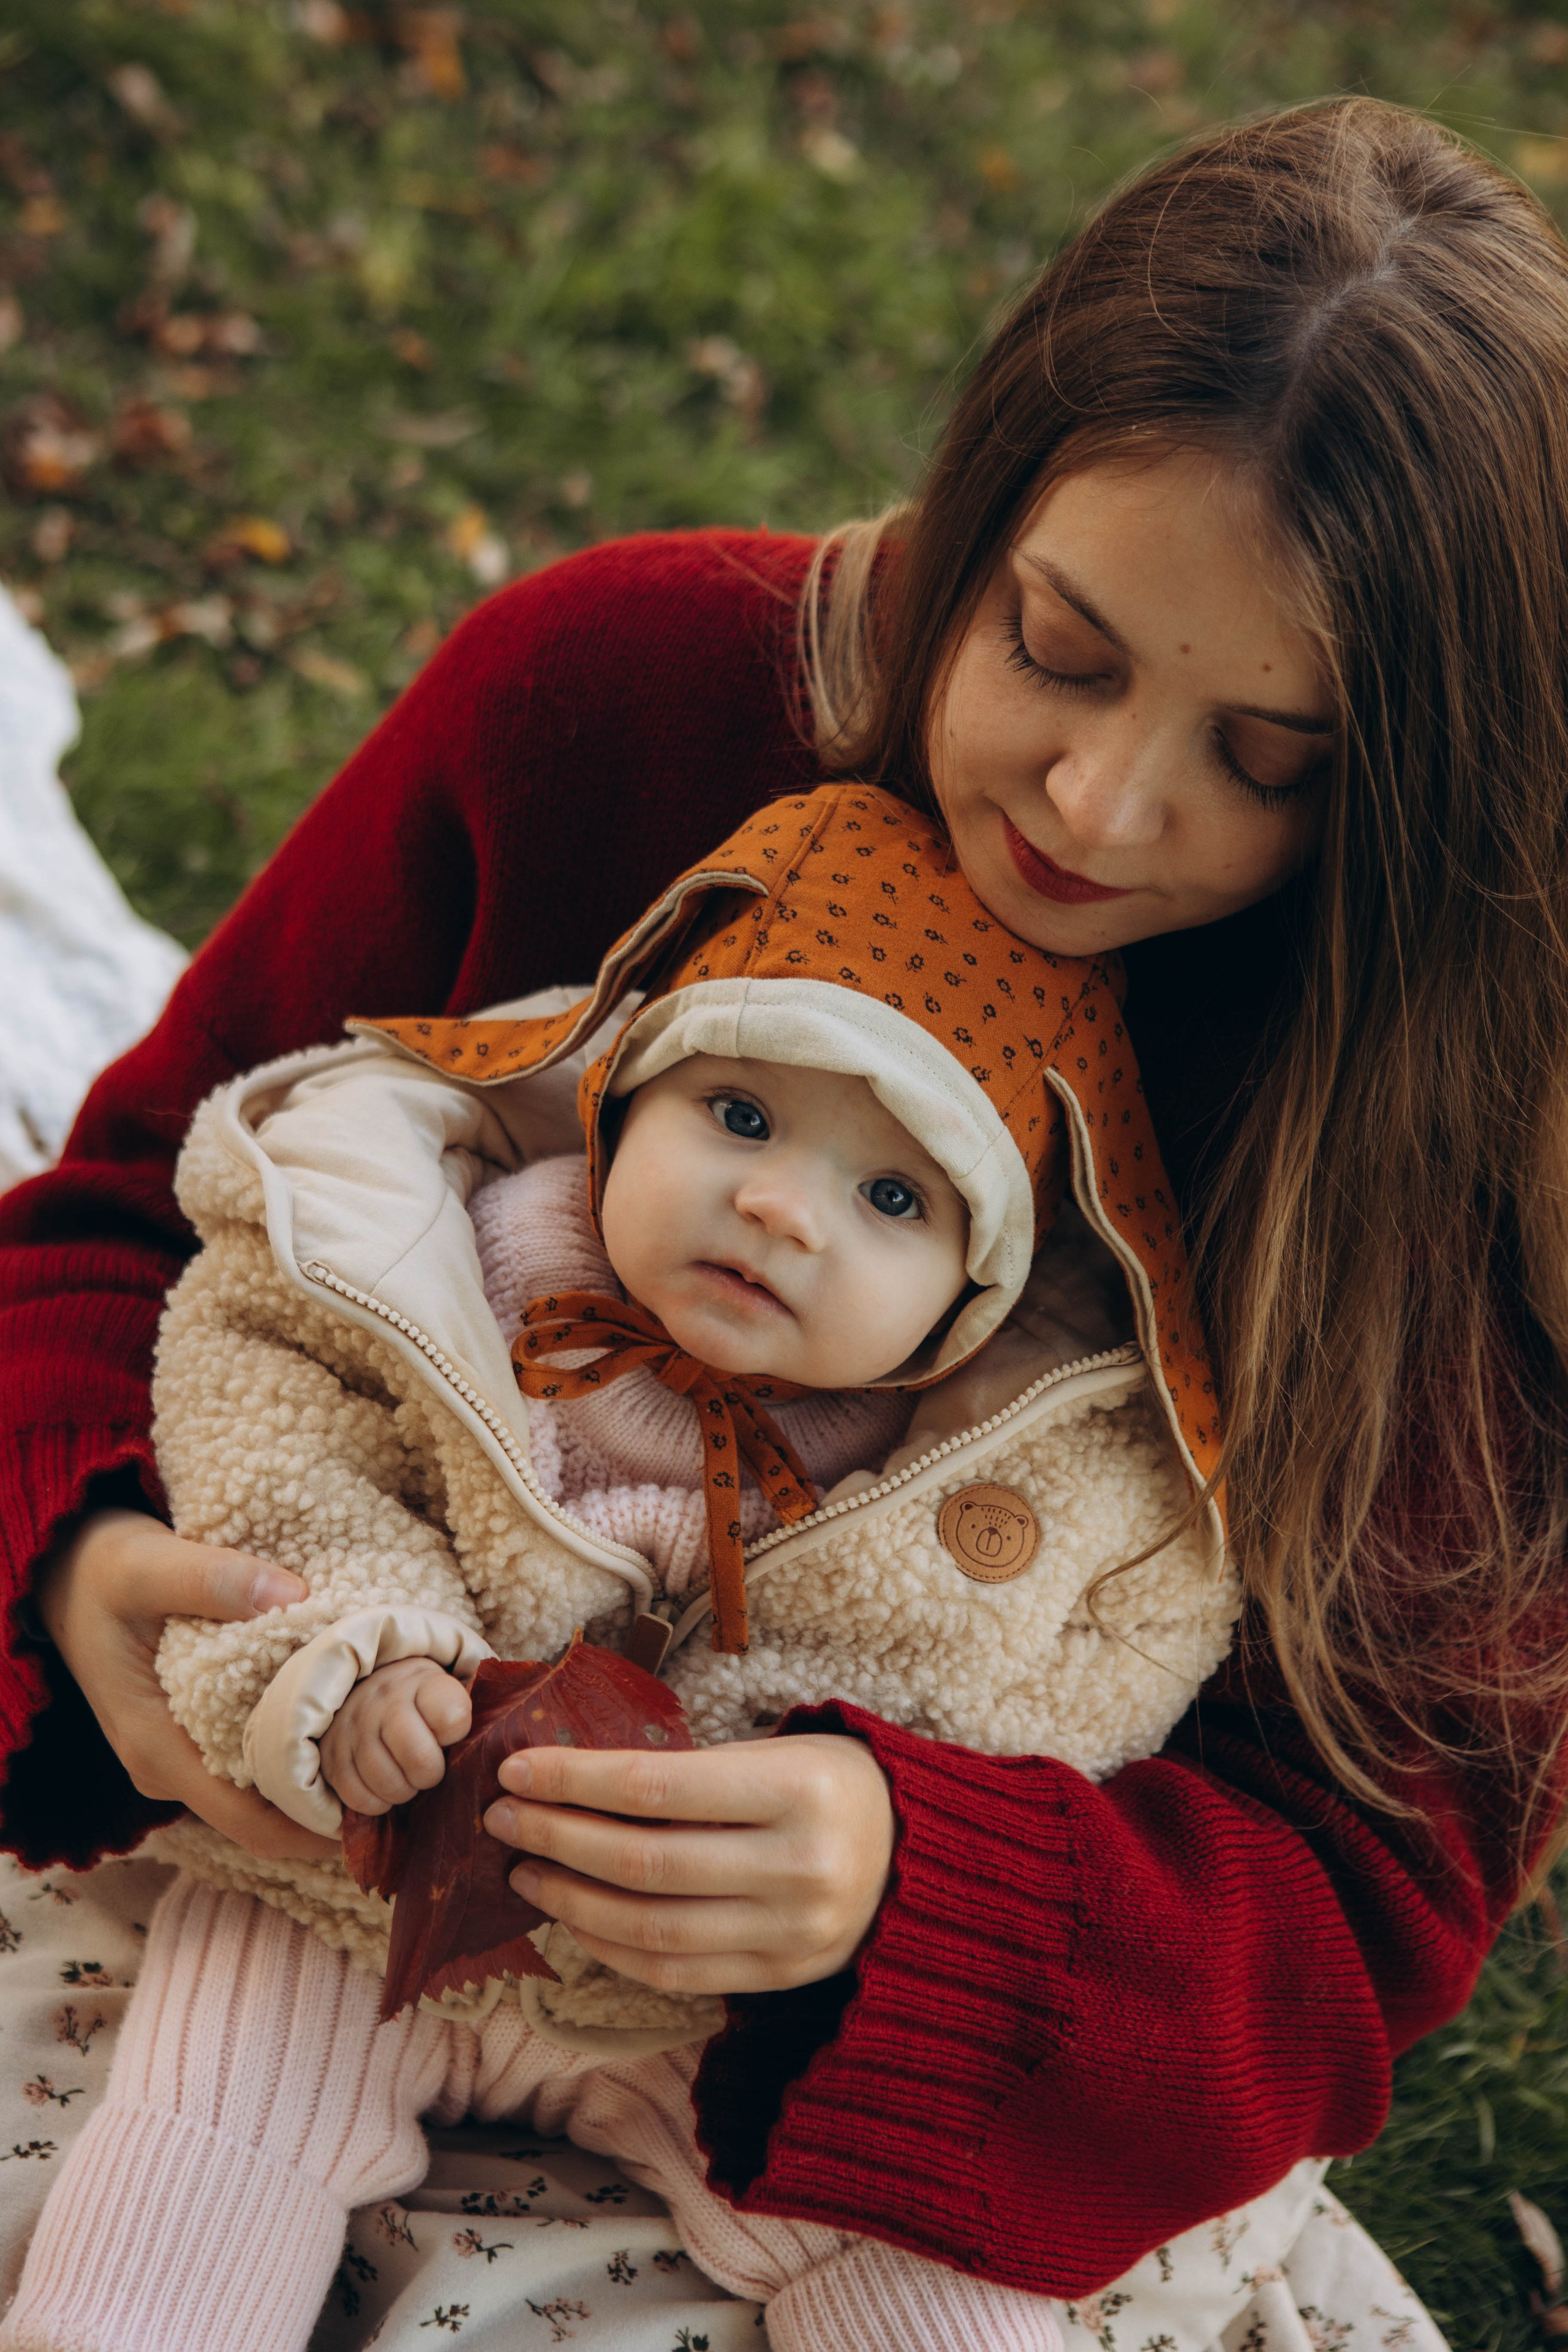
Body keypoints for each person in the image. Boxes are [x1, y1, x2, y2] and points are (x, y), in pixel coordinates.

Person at [0, 91, 1564, 2331]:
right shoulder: (615, 697)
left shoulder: (1437, 1133)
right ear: (983, 498)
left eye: (1272, 761)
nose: (1105, 803)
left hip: (887, 2132)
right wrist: (82, 1551)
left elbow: (1365, 1902)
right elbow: (111, 1223)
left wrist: (907, 1900)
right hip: (271, 1881)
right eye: (1057, 644)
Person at [4, 780, 1246, 2352]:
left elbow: (1078, 1673)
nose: (780, 1207)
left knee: (911, 2243)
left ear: (968, 1303)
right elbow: (275, 1441)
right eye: (736, 1114)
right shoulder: (451, 1264)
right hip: (351, 1890)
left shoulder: (996, 1474)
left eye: (890, 1199)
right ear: (619, 1099)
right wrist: (339, 1660)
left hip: (704, 1988)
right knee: (215, 2108)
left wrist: (891, 1840)